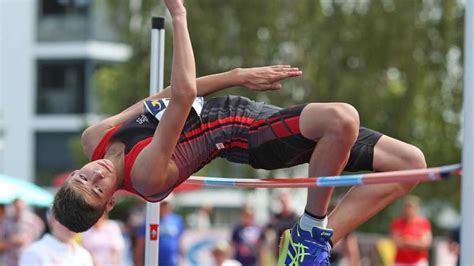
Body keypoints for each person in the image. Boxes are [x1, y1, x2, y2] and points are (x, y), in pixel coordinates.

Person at [52, 0, 427, 264]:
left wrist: (238, 76)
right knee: (341, 119)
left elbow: (161, 97)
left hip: (254, 112)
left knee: (410, 163)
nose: (96, 173)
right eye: (98, 188)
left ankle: (305, 242)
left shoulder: (94, 137)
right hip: (249, 135)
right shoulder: (144, 177)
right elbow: (182, 97)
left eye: (84, 176)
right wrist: (179, 14)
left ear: (75, 171)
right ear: (110, 204)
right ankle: (310, 232)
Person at [18, 211, 93, 266]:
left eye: (76, 220)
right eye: (65, 220)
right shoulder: (34, 252)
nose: (70, 226)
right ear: (52, 219)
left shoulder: (84, 255)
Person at [134, 198, 185, 266]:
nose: (164, 207)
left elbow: (180, 240)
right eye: (162, 205)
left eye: (166, 205)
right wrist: (138, 262)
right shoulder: (149, 220)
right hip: (152, 260)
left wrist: (182, 258)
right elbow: (140, 244)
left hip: (172, 261)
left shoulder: (177, 220)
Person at [0, 198, 45, 265]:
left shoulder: (33, 220)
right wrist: (11, 242)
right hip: (9, 261)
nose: (18, 210)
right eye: (16, 207)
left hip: (27, 260)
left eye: (21, 207)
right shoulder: (6, 221)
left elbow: (39, 237)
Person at [391, 196, 432, 266]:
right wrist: (416, 241)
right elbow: (397, 242)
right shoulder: (397, 222)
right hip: (401, 261)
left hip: (418, 262)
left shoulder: (424, 223)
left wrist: (406, 239)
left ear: (417, 209)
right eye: (407, 207)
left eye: (412, 207)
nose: (409, 210)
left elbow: (425, 244)